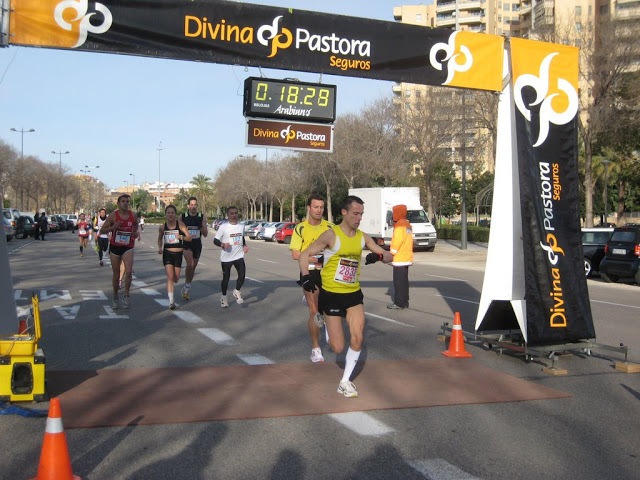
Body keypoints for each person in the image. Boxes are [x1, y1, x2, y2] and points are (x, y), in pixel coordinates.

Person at [299, 195, 392, 398]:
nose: (359, 218)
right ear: (344, 212)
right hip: (331, 294)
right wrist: (306, 277)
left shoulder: (362, 237)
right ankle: (323, 318)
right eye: (355, 214)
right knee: (337, 346)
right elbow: (305, 254)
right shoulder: (330, 235)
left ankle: (345, 381)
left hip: (353, 294)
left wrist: (380, 255)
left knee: (358, 336)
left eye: (361, 214)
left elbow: (388, 255)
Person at [290, 194, 333, 363]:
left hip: (328, 273)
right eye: (316, 207)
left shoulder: (330, 227)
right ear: (308, 208)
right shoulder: (300, 228)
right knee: (314, 311)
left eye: (321, 207)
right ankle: (316, 349)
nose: (319, 210)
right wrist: (314, 258)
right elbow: (295, 254)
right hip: (309, 272)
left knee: (327, 309)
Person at [99, 194, 139, 309]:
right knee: (116, 274)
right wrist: (113, 227)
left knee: (129, 270)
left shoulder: (133, 215)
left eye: (127, 201)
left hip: (128, 246)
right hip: (115, 246)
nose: (125, 203)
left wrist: (135, 232)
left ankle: (126, 295)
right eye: (123, 201)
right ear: (118, 203)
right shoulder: (113, 216)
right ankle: (115, 296)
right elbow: (102, 230)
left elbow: (135, 225)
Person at [158, 205, 192, 310]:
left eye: (172, 213)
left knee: (176, 278)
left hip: (178, 254)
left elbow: (189, 238)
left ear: (175, 214)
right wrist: (160, 247)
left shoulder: (180, 225)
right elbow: (160, 239)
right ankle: (171, 301)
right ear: (166, 214)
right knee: (170, 277)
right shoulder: (163, 227)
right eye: (168, 213)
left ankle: (175, 294)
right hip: (167, 253)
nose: (170, 215)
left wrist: (181, 237)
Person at [214, 206, 248, 308]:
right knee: (226, 279)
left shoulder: (241, 226)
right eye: (232, 214)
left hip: (239, 256)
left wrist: (244, 245)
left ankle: (237, 291)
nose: (234, 215)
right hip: (226, 258)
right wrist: (222, 245)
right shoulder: (223, 227)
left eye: (236, 213)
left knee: (242, 276)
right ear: (228, 215)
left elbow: (241, 238)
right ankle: (224, 297)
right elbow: (215, 240)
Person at [180, 197, 208, 300]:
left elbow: (205, 234)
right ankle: (187, 286)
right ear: (188, 206)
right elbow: (178, 232)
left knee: (193, 267)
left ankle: (187, 286)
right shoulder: (183, 217)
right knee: (190, 264)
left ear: (197, 206)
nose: (193, 207)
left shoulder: (201, 217)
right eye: (191, 205)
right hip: (186, 244)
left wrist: (201, 226)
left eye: (195, 205)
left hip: (197, 244)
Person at [387, 204, 414, 310]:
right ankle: (405, 301)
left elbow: (397, 241)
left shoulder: (399, 225)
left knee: (398, 282)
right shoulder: (407, 224)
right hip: (406, 256)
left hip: (399, 258)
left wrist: (391, 254)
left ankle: (399, 303)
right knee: (404, 282)